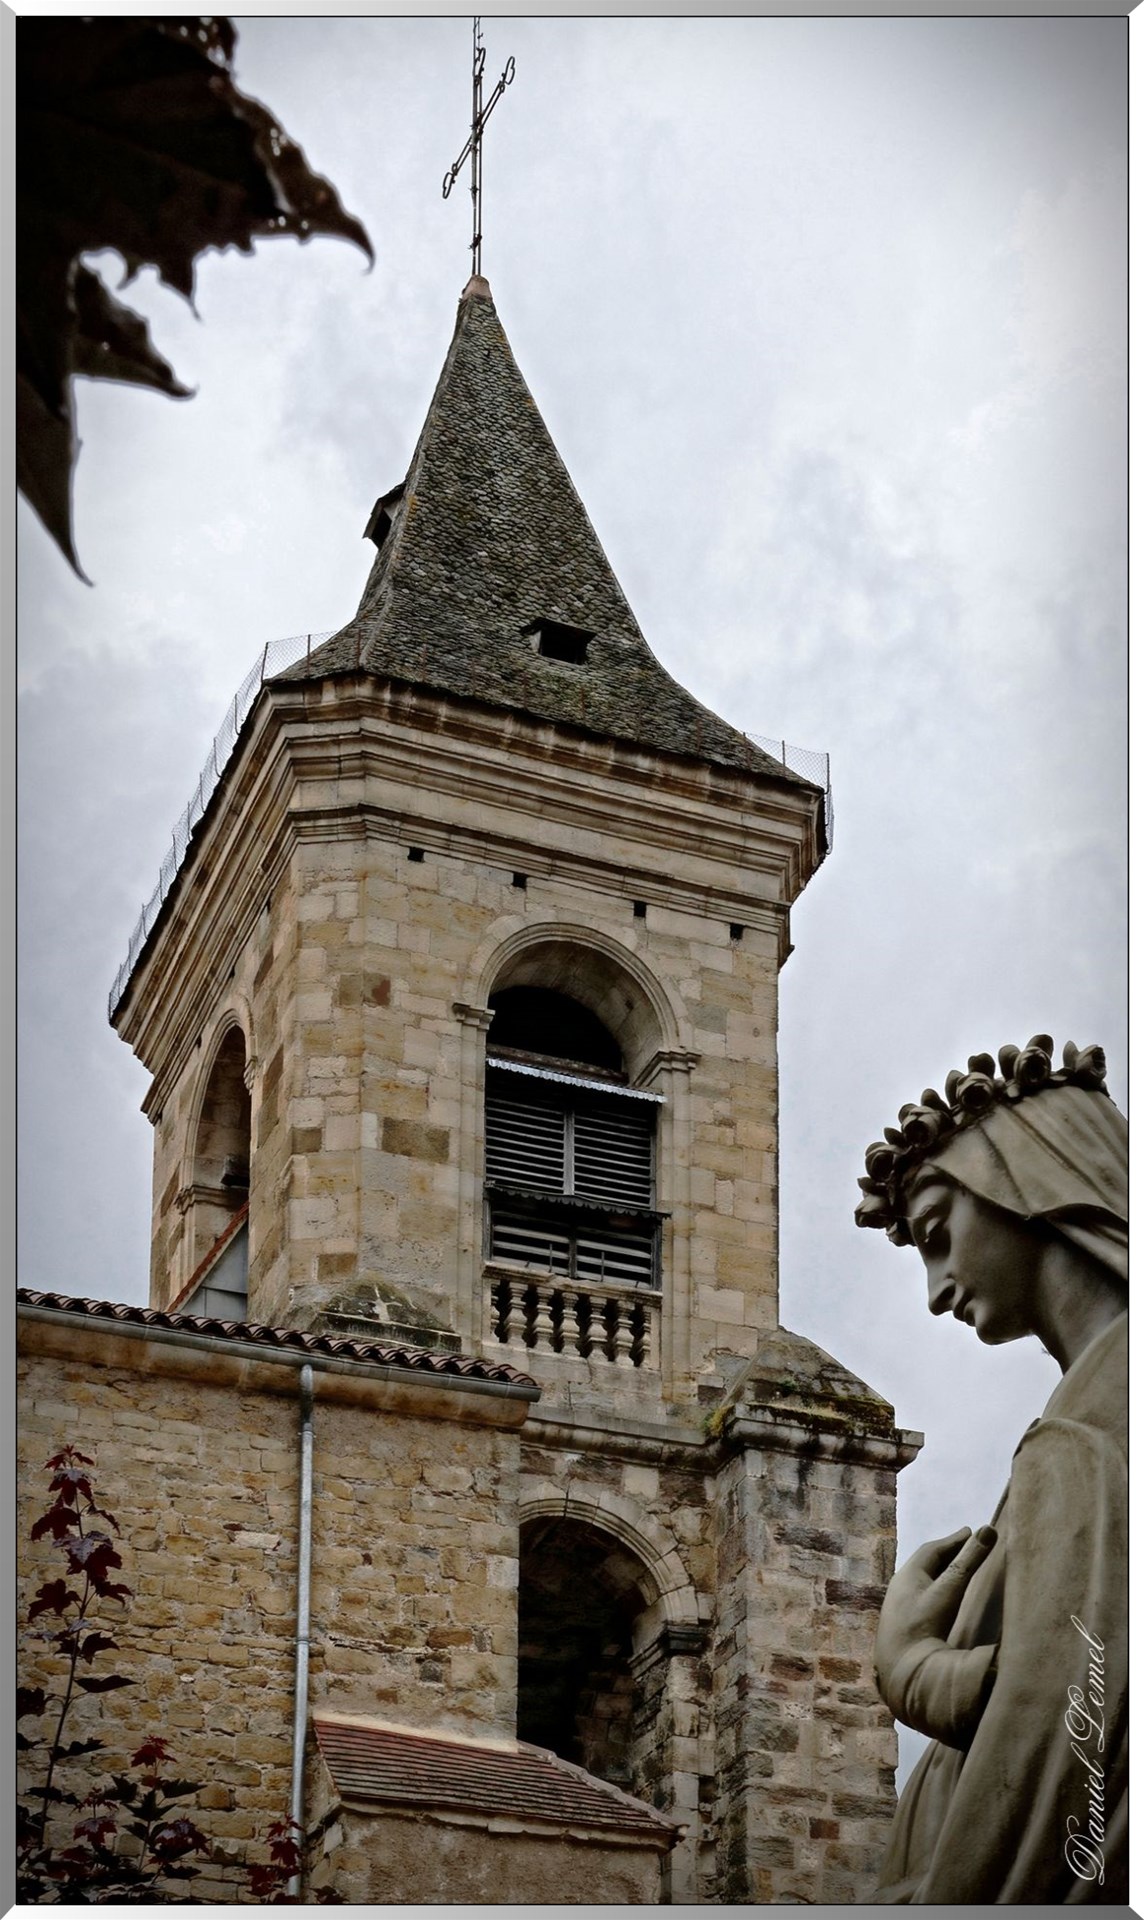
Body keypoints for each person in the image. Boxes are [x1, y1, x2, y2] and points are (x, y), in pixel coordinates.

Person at [855, 1036, 1127, 1904]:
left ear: (1031, 1184)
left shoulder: (1086, 1440)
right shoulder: (1079, 1422)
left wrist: (915, 1671)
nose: (937, 1288)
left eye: (938, 1234)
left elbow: (1075, 1723)